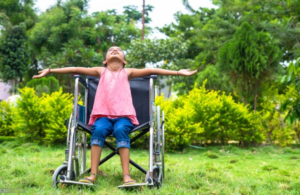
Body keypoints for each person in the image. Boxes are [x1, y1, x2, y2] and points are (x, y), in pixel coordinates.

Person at [33, 46, 197, 185]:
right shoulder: (100, 71)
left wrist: (178, 72)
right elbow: (75, 69)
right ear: (105, 60)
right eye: (111, 50)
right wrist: (50, 70)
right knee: (98, 131)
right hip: (102, 117)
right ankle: (93, 175)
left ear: (124, 61)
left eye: (118, 51)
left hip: (124, 117)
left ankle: (126, 176)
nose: (114, 51)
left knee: (120, 130)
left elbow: (153, 70)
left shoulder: (128, 72)